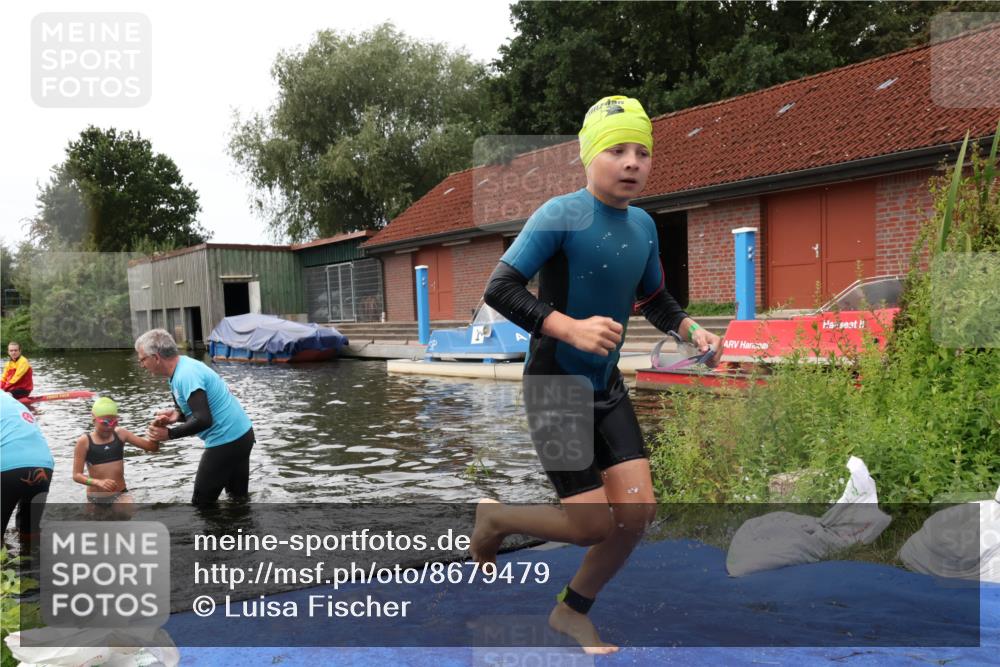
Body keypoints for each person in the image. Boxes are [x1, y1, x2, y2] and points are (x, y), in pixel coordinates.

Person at [470, 95, 723, 654]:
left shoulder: (645, 226)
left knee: (636, 513)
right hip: (555, 386)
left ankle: (571, 612)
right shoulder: (560, 214)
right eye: (617, 150)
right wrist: (569, 327)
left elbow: (655, 299)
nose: (632, 162)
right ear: (589, 157)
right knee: (590, 526)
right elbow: (500, 289)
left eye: (642, 151)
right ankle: (495, 518)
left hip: (604, 388)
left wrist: (690, 329)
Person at [135, 329, 255, 505]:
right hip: (241, 435)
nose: (142, 365)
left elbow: (204, 420)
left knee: (201, 504)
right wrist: (177, 415)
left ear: (156, 357)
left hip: (226, 441)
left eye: (142, 359)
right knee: (237, 501)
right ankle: (241, 531)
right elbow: (200, 410)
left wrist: (170, 434)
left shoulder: (186, 374)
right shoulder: (182, 368)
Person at [72, 397, 160, 508]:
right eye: (105, 423)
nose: (110, 427)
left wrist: (156, 428)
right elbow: (76, 475)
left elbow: (152, 447)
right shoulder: (84, 441)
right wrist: (97, 482)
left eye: (114, 422)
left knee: (126, 512)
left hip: (121, 494)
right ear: (94, 419)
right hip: (96, 498)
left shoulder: (121, 434)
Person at [1, 391, 54, 540]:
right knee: (29, 534)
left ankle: (5, 562)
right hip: (44, 465)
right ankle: (31, 561)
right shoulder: (14, 403)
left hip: (9, 467)